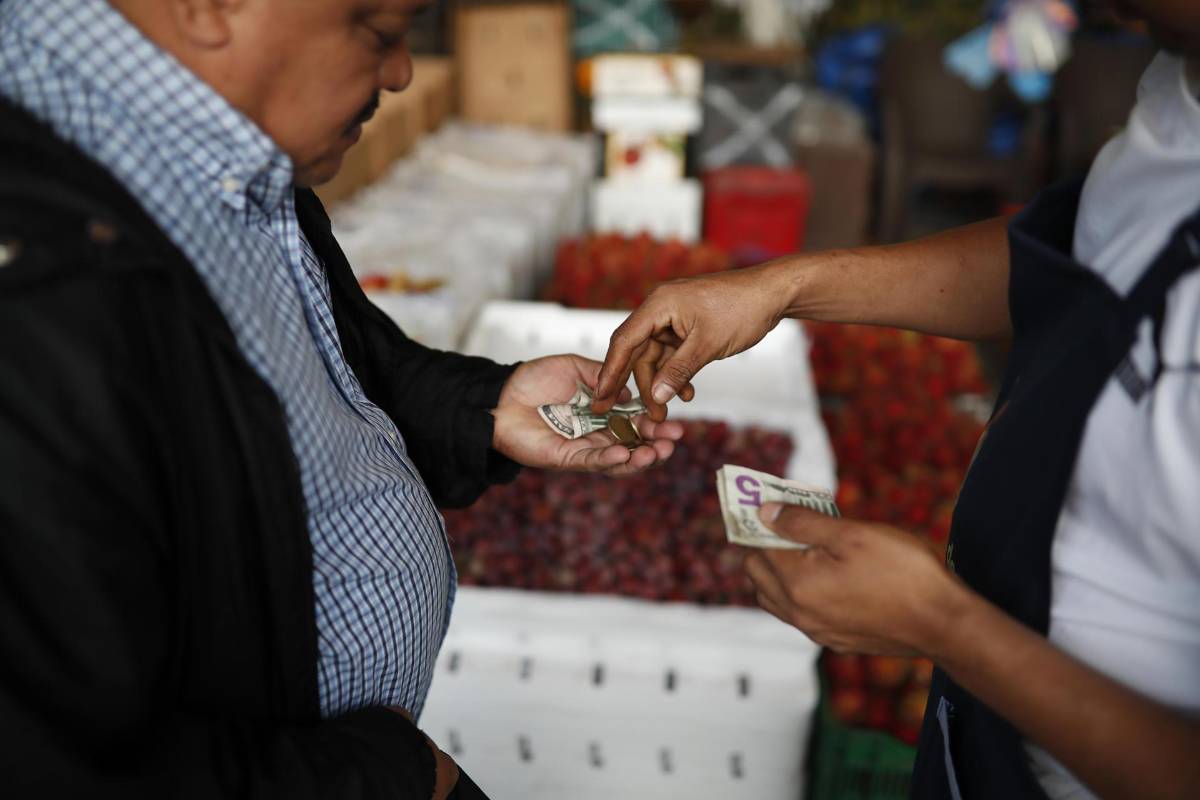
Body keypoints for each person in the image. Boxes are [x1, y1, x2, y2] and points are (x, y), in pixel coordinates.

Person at [0, 0, 683, 797]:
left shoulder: (225, 140)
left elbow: (317, 362)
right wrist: (389, 774)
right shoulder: (36, 275)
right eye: (377, 32)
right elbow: (55, 764)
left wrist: (481, 406)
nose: (399, 73)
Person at [594, 3, 1200, 798]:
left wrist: (942, 625)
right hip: (975, 749)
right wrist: (783, 286)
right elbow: (1069, 265)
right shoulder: (1179, 93)